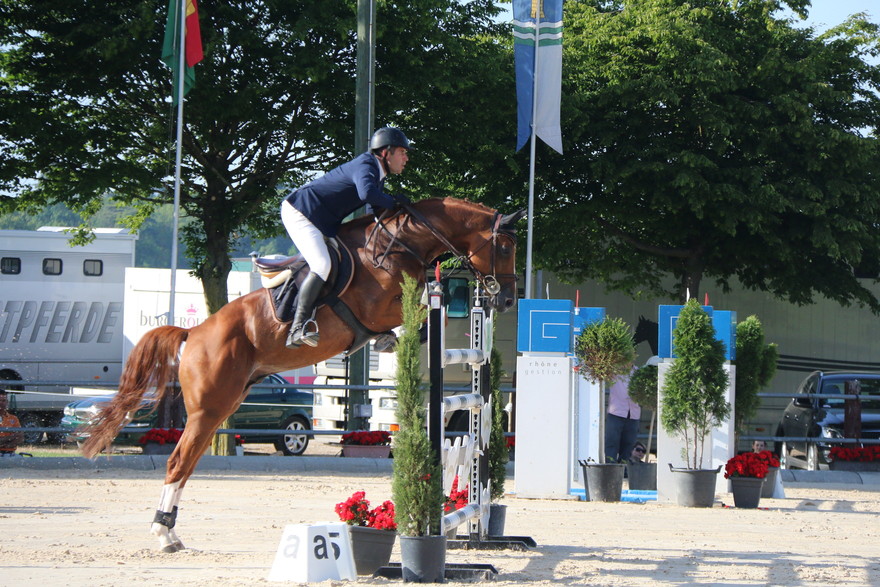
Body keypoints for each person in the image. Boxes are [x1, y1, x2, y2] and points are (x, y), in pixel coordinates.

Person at [280, 127, 412, 348]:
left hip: (323, 222)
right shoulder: (366, 164)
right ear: (385, 153)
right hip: (302, 212)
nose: (406, 158)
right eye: (402, 152)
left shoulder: (377, 175)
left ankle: (377, 329)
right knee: (322, 265)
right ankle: (297, 327)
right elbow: (367, 194)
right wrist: (393, 201)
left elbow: (374, 211)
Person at [605, 364, 641, 463]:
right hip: (616, 412)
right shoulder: (614, 370)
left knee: (629, 445)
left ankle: (624, 467)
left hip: (633, 413)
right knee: (612, 443)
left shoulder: (638, 372)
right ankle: (611, 467)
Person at [0, 389, 24, 456]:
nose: (1, 403)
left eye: (3, 401)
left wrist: (3, 442)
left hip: (10, 454)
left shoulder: (13, 418)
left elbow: (20, 438)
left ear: (7, 402)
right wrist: (12, 437)